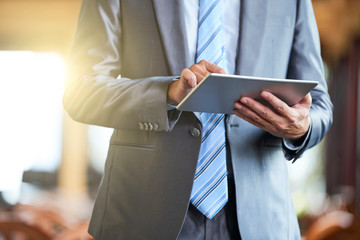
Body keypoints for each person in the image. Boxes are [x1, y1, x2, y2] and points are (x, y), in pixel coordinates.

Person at [63, 0, 333, 239]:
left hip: (261, 218)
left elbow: (319, 105)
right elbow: (81, 90)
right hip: (144, 210)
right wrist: (167, 92)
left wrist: (302, 126)